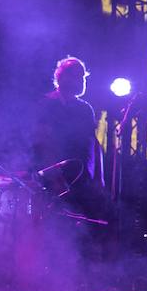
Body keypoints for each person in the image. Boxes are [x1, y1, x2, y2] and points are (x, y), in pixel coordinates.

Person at [32, 56, 104, 196]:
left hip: (81, 181)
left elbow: (93, 143)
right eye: (77, 75)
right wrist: (56, 179)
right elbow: (43, 141)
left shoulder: (85, 109)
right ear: (61, 77)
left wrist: (99, 178)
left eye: (83, 76)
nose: (82, 80)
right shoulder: (47, 104)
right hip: (53, 181)